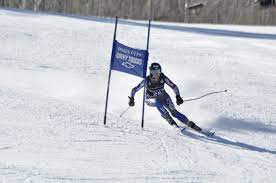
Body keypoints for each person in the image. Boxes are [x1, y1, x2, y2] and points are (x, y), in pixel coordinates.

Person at [128, 62, 209, 134]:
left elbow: (174, 86)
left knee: (174, 111)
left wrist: (178, 96)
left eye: (158, 71)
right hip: (150, 99)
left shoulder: (163, 78)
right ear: (151, 72)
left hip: (163, 96)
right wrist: (132, 99)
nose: (156, 74)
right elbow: (135, 89)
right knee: (158, 102)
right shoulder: (146, 80)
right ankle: (170, 120)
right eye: (154, 72)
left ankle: (189, 123)